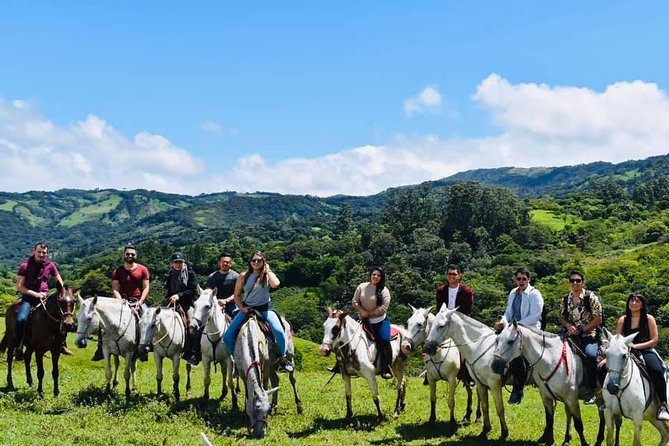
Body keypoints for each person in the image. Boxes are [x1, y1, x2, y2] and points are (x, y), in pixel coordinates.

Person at [223, 251, 293, 372]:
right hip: (248, 308)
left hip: (265, 308)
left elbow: (276, 284)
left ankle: (282, 358)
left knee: (278, 331)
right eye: (253, 260)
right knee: (227, 336)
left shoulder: (266, 275)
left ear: (263, 262)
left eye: (259, 260)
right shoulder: (243, 276)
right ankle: (237, 361)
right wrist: (242, 308)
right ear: (250, 262)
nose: (256, 262)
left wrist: (268, 270)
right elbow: (237, 295)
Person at [615, 293, 669, 420]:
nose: (633, 303)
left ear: (642, 304)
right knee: (606, 368)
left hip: (646, 350)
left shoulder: (649, 318)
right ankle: (605, 400)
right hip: (626, 351)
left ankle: (663, 405)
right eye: (631, 301)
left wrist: (637, 346)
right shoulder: (623, 319)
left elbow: (654, 340)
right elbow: (617, 340)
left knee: (656, 370)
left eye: (637, 301)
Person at [92, 244, 150, 361]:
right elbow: (115, 289)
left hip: (138, 301)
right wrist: (119, 301)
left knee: (147, 321)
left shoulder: (143, 269)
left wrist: (140, 302)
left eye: (132, 254)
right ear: (124, 255)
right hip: (121, 302)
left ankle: (143, 349)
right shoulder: (117, 271)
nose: (130, 256)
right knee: (104, 320)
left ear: (136, 256)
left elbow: (146, 288)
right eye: (128, 254)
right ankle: (100, 348)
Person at [494, 267, 544, 404]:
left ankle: (518, 389)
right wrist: (503, 322)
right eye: (518, 279)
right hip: (511, 329)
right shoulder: (513, 293)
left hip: (529, 330)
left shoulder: (534, 294)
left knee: (517, 354)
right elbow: (508, 313)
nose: (521, 281)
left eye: (524, 279)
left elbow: (535, 316)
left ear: (529, 279)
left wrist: (516, 326)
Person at [14, 242, 69, 360]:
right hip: (29, 297)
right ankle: (18, 347)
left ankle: (62, 344)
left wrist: (61, 292)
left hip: (46, 296)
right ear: (33, 252)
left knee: (63, 315)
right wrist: (36, 294)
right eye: (39, 252)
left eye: (44, 252)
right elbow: (19, 287)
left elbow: (59, 281)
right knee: (21, 319)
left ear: (47, 254)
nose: (41, 254)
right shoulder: (25, 266)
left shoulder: (50, 265)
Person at [558, 270, 602, 405]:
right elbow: (561, 318)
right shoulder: (565, 299)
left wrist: (582, 329)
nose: (575, 283)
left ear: (583, 282)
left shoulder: (591, 298)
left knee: (590, 355)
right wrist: (568, 326)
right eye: (572, 281)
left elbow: (598, 319)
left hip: (589, 333)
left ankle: (592, 389)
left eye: (578, 280)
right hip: (570, 334)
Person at [435, 264, 475, 386]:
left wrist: (454, 320)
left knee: (467, 346)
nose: (451, 276)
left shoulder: (467, 291)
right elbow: (439, 308)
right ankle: (430, 371)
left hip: (461, 321)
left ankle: (468, 374)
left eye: (454, 274)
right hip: (445, 320)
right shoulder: (441, 290)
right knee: (431, 338)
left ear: (459, 276)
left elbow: (467, 310)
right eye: (449, 274)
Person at [353, 267, 394, 379]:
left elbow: (383, 308)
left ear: (381, 278)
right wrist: (361, 311)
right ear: (370, 275)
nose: (375, 277)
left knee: (385, 340)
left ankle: (388, 367)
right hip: (362, 320)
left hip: (379, 321)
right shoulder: (362, 287)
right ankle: (341, 364)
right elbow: (355, 301)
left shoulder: (384, 291)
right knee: (348, 336)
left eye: (378, 275)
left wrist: (369, 313)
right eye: (373, 274)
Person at [162, 253, 198, 364]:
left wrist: (179, 295)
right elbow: (169, 290)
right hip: (172, 302)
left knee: (192, 325)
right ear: (172, 264)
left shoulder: (190, 274)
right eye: (176, 262)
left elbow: (193, 290)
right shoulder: (170, 275)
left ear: (184, 263)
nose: (178, 264)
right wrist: (168, 298)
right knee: (156, 319)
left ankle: (192, 351)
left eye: (180, 262)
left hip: (187, 303)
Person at [205, 252, 239, 319]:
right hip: (215, 304)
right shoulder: (212, 277)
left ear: (231, 263)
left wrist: (226, 301)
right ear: (219, 263)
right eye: (223, 262)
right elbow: (208, 292)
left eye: (227, 262)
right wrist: (216, 302)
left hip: (231, 304)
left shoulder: (236, 276)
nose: (225, 264)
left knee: (238, 322)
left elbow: (238, 294)